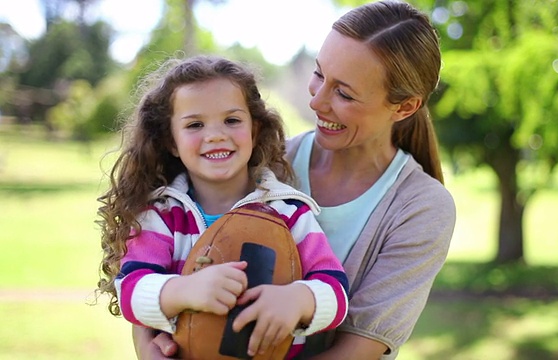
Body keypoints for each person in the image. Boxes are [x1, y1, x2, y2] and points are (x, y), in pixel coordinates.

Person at [135, 0, 456, 359]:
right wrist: (151, 345)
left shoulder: (422, 208)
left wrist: (301, 300)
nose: (317, 102)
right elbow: (161, 256)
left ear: (405, 107)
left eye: (344, 93)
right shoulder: (259, 162)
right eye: (319, 74)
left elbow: (359, 347)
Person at [96, 55, 350, 359]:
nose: (215, 135)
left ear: (254, 130)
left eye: (232, 120)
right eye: (195, 124)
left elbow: (336, 290)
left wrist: (299, 299)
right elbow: (130, 291)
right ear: (171, 142)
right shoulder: (161, 216)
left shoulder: (289, 213)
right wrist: (184, 291)